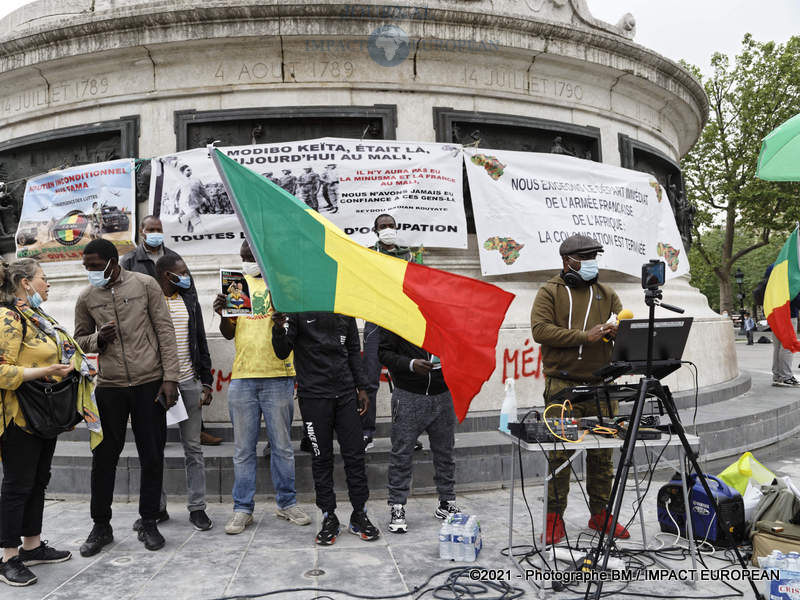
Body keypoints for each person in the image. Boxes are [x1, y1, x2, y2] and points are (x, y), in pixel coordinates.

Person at [74, 239, 180, 556]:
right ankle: (101, 526)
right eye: (86, 266)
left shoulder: (145, 285)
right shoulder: (86, 297)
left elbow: (165, 331)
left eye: (94, 265)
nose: (90, 271)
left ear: (111, 261)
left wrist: (170, 378)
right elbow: (79, 340)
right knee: (104, 457)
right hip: (110, 387)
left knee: (152, 455)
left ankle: (148, 521)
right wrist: (98, 339)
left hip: (149, 383)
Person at [0, 259, 96, 587]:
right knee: (17, 485)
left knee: (39, 480)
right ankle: (8, 557)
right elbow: (1, 371)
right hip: (18, 416)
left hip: (44, 413)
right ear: (25, 283)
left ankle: (31, 546)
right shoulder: (9, 318)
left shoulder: (38, 317)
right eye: (43, 278)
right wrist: (48, 371)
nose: (48, 283)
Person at [530, 234, 630, 545]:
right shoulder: (549, 292)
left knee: (603, 458)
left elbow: (622, 329)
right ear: (568, 261)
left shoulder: (606, 293)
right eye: (585, 258)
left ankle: (600, 513)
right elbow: (540, 330)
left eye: (594, 258)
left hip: (602, 387)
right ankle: (554, 517)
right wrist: (583, 337)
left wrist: (616, 334)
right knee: (559, 455)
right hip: (563, 386)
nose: (591, 264)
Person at [212, 241, 310, 535]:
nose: (245, 262)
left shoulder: (283, 284)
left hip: (278, 375)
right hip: (243, 377)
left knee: (282, 447)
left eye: (250, 257)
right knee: (243, 449)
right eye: (242, 258)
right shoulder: (236, 285)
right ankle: (243, 509)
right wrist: (224, 315)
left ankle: (287, 503)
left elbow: (294, 329)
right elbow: (228, 334)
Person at [271, 311, 379, 545]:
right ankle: (329, 515)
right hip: (313, 397)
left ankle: (359, 514)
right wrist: (279, 328)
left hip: (346, 395)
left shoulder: (343, 308)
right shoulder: (297, 310)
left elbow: (353, 351)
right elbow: (282, 352)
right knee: (321, 458)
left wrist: (362, 388)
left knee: (355, 455)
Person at [120, 216, 221, 447]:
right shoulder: (130, 260)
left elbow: (190, 292)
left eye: (159, 229)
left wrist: (192, 312)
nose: (156, 233)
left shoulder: (175, 259)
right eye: (151, 229)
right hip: (150, 342)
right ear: (142, 232)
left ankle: (196, 431)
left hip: (181, 327)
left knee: (188, 392)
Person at [378, 327, 461, 533]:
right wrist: (410, 364)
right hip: (408, 394)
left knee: (445, 452)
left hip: (443, 393)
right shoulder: (397, 311)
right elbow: (383, 352)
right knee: (402, 453)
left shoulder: (442, 311)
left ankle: (446, 501)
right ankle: (397, 506)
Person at [153, 255, 214, 531]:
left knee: (193, 448)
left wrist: (207, 380)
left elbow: (200, 338)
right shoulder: (150, 301)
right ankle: (157, 507)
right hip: (158, 385)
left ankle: (197, 508)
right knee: (154, 449)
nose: (186, 275)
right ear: (167, 275)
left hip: (189, 383)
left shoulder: (189, 299)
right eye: (182, 272)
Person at [361, 214, 422, 451]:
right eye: (382, 226)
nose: (388, 229)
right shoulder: (367, 254)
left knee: (404, 381)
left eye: (391, 225)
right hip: (376, 321)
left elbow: (421, 285)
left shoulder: (410, 255)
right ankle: (366, 433)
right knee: (370, 381)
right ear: (375, 231)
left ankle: (408, 434)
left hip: (403, 323)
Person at [763, 264, 800, 387]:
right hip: (788, 312)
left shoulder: (773, 267)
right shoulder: (792, 267)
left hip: (774, 311)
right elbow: (794, 293)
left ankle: (778, 376)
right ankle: (786, 376)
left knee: (778, 346)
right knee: (787, 346)